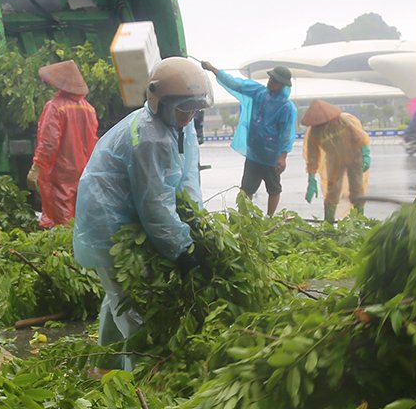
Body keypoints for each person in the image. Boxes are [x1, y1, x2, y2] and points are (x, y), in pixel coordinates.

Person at [72, 56, 208, 358]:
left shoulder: (180, 126)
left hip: (129, 216)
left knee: (117, 297)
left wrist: (197, 222)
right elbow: (155, 205)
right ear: (160, 101)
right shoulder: (149, 136)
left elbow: (187, 178)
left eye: (194, 108)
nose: (190, 115)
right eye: (184, 108)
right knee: (131, 304)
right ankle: (140, 387)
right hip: (109, 224)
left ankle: (105, 367)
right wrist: (182, 248)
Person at [200, 61, 297, 215]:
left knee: (273, 188)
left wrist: (282, 157)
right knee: (247, 188)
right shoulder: (258, 92)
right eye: (271, 78)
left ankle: (270, 218)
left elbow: (286, 133)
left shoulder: (286, 107)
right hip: (254, 154)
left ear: (282, 85)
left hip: (271, 157)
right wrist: (212, 69)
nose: (270, 82)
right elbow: (236, 84)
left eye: (275, 81)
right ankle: (244, 218)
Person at [28, 59, 99, 228]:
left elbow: (49, 143)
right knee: (80, 219)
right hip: (83, 171)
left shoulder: (55, 107)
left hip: (59, 173)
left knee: (61, 223)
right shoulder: (89, 108)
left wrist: (35, 168)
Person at [302, 99, 372, 223]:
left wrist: (365, 153)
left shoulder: (344, 122)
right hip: (334, 160)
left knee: (357, 189)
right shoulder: (314, 132)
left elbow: (360, 137)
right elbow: (313, 157)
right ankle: (328, 222)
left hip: (354, 156)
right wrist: (311, 178)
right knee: (332, 191)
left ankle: (359, 221)